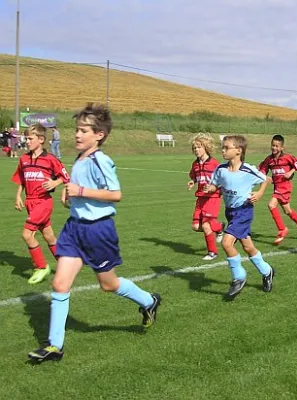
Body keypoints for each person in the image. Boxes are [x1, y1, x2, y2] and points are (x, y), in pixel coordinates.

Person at [28, 103, 161, 363]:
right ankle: (55, 346)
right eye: (76, 130)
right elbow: (78, 188)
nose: (77, 135)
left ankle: (148, 300)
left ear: (99, 135)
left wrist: (81, 192)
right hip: (74, 229)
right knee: (59, 284)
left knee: (108, 285)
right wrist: (69, 194)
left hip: (98, 231)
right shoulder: (80, 159)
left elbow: (115, 194)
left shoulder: (101, 160)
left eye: (84, 130)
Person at [204, 135, 275, 299]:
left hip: (244, 211)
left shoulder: (247, 170)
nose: (223, 150)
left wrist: (259, 192)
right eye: (223, 147)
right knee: (248, 247)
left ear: (238, 151)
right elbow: (215, 184)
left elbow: (267, 179)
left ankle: (239, 277)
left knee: (227, 243)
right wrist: (211, 188)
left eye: (226, 147)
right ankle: (267, 271)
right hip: (230, 212)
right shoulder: (221, 169)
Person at [11, 124, 70, 284]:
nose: (27, 141)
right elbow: (21, 180)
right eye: (26, 138)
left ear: (41, 139)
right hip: (30, 202)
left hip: (43, 202)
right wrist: (18, 196)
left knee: (27, 234)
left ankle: (41, 266)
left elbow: (66, 177)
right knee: (49, 236)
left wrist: (54, 183)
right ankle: (66, 265)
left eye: (30, 138)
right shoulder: (23, 159)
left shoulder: (50, 159)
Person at [258, 134, 297, 245]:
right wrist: (265, 176)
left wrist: (290, 172)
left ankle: (282, 229)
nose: (274, 148)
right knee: (287, 211)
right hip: (277, 187)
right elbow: (262, 170)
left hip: (285, 187)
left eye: (277, 146)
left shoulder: (288, 158)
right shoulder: (269, 159)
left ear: (282, 148)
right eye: (273, 145)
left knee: (271, 205)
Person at [187, 133, 225, 260]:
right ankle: (219, 227)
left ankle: (212, 252)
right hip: (200, 198)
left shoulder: (215, 164)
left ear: (206, 147)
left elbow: (223, 180)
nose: (196, 150)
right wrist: (193, 181)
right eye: (194, 148)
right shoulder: (195, 164)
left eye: (199, 147)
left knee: (206, 225)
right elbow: (194, 175)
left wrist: (214, 188)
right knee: (195, 226)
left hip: (213, 198)